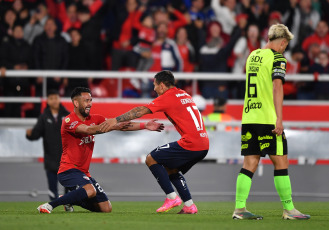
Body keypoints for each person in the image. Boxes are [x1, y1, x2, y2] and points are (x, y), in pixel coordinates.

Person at [37, 87, 164, 213]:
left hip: (84, 172)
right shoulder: (69, 120)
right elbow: (89, 130)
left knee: (106, 208)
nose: (90, 104)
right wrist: (112, 126)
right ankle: (50, 205)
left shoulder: (95, 118)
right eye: (86, 100)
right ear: (76, 103)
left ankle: (69, 199)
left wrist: (145, 125)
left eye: (91, 100)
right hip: (68, 170)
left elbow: (122, 126)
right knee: (90, 190)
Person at [100, 71, 209, 214]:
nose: (154, 89)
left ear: (162, 85)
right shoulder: (183, 94)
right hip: (203, 144)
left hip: (191, 143)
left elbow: (140, 110)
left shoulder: (168, 97)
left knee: (151, 158)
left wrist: (115, 120)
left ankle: (171, 197)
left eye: (155, 85)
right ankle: (189, 206)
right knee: (171, 168)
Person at [232, 24, 310, 220]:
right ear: (282, 42)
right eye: (285, 45)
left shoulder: (253, 55)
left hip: (249, 117)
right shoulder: (278, 58)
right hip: (267, 118)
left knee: (250, 162)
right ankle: (289, 209)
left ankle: (239, 209)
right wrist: (279, 119)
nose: (284, 49)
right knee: (281, 160)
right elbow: (277, 88)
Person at [26, 90, 70, 201]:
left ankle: (69, 206)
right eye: (51, 98)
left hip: (67, 159)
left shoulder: (68, 116)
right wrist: (30, 135)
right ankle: (53, 207)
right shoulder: (44, 117)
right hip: (50, 159)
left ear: (59, 99)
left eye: (56, 98)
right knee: (52, 190)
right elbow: (36, 134)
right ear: (48, 101)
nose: (54, 100)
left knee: (69, 188)